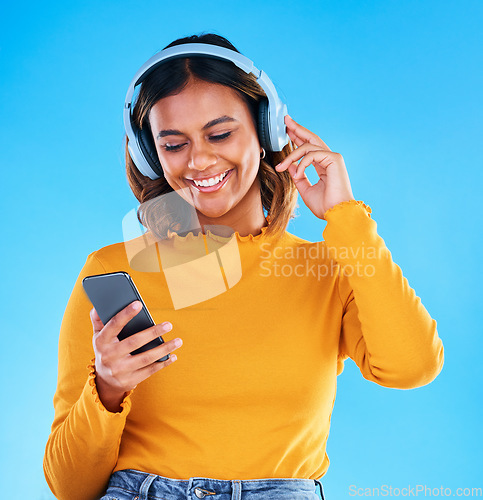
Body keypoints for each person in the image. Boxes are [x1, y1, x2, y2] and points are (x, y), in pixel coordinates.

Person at [43, 33, 444, 500]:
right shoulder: (114, 269)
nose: (199, 160)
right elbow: (69, 488)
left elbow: (412, 367)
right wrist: (108, 388)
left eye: (219, 133)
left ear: (267, 130)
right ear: (149, 155)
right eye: (173, 145)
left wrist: (346, 216)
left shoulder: (327, 268)